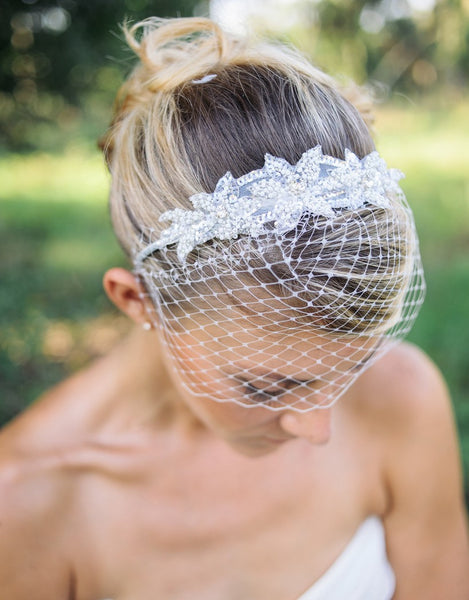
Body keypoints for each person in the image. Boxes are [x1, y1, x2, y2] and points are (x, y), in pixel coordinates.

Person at [0, 16, 468, 600]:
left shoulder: (404, 399)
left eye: (351, 367)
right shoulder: (26, 505)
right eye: (264, 388)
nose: (319, 428)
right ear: (137, 299)